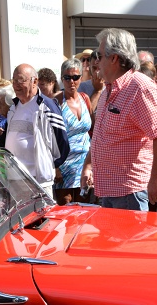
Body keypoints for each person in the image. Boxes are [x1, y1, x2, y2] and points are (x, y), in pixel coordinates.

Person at [80, 28, 157, 211]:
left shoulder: (140, 87)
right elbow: (101, 135)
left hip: (130, 192)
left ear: (114, 58)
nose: (96, 62)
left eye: (100, 56)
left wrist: (156, 178)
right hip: (109, 191)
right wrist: (88, 165)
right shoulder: (108, 89)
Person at [6, 63, 70, 198]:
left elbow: (62, 142)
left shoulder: (46, 106)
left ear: (34, 81)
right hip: (14, 181)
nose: (16, 85)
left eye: (21, 80)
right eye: (14, 80)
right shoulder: (13, 108)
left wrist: (48, 165)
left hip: (38, 182)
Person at [54, 58, 93, 204]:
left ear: (81, 78)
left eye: (75, 77)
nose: (72, 81)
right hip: (64, 165)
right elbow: (49, 137)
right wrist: (55, 167)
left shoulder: (85, 99)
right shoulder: (56, 101)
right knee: (66, 205)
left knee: (84, 206)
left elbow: (92, 131)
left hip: (84, 163)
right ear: (62, 78)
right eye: (67, 77)